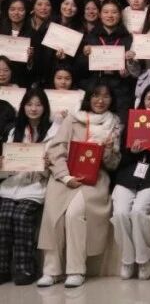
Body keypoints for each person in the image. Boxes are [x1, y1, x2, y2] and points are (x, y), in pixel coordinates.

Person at [37, 81, 122, 288]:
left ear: (112, 100)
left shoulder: (114, 124)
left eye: (106, 96)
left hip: (94, 179)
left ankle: (76, 269)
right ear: (88, 98)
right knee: (54, 215)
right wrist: (65, 177)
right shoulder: (72, 119)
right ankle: (51, 271)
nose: (100, 100)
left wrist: (109, 149)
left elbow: (112, 164)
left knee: (74, 214)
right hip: (64, 177)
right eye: (96, 95)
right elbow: (55, 151)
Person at [111, 83, 150, 281]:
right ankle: (127, 259)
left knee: (138, 211)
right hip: (128, 177)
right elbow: (120, 159)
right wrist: (132, 151)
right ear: (142, 100)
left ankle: (144, 258)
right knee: (120, 213)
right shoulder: (132, 122)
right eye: (149, 98)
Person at [0, 88, 57, 285]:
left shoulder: (53, 132)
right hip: (12, 184)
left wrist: (46, 165)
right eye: (29, 104)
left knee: (21, 216)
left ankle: (25, 268)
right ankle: (3, 268)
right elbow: (7, 166)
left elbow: (55, 166)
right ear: (23, 107)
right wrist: (4, 165)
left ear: (45, 107)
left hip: (35, 186)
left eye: (38, 105)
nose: (33, 108)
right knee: (4, 217)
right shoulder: (14, 131)